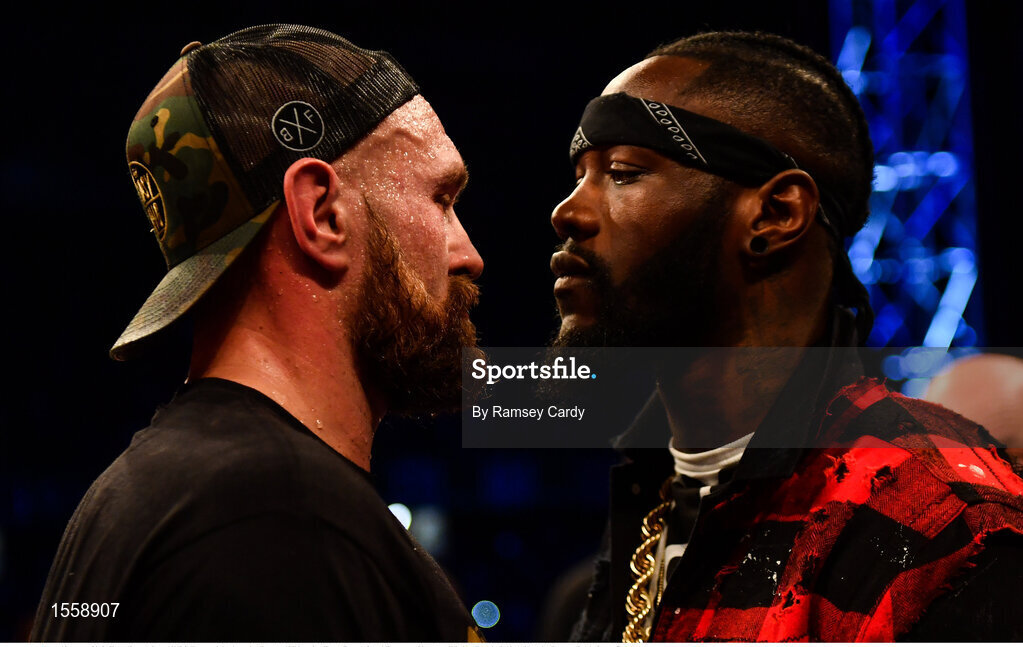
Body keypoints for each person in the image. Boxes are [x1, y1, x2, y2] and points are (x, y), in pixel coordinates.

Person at [550, 31, 1023, 642]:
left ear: (776, 215)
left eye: (623, 173)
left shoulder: (947, 521)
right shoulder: (654, 500)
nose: (568, 211)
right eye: (579, 174)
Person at [31, 24, 485, 642]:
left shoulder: (143, 496)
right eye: (441, 198)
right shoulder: (281, 521)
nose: (469, 254)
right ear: (322, 214)